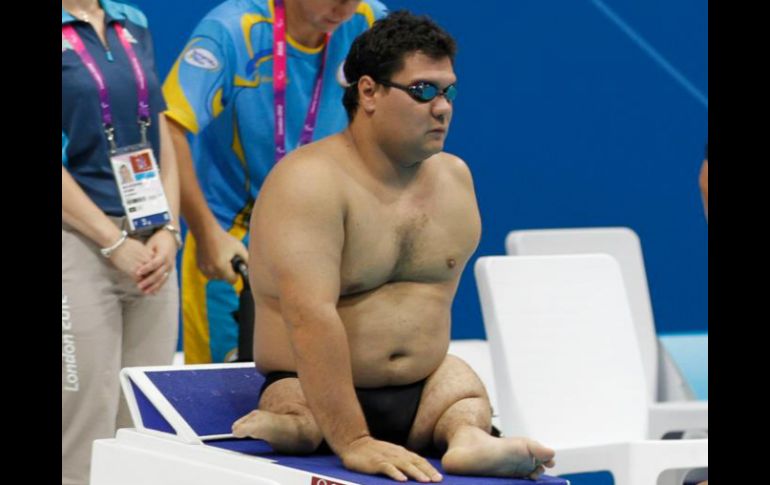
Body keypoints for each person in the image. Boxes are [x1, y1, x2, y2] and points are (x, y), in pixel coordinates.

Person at [231, 11, 556, 482]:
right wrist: (354, 441)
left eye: (449, 91)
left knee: (460, 384)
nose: (442, 107)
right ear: (368, 92)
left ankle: (467, 437)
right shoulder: (309, 183)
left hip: (422, 394)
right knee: (296, 412)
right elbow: (309, 317)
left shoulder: (455, 180)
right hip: (313, 391)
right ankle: (298, 429)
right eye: (423, 90)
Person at [162, 0, 388, 363]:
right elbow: (169, 126)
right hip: (235, 247)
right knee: (224, 405)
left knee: (320, 395)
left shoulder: (370, 21)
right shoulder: (234, 30)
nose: (345, 6)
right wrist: (205, 233)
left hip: (326, 245)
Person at [62, 1, 181, 484]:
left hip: (150, 241)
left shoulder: (133, 21)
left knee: (142, 413)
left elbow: (161, 132)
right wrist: (113, 243)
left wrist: (169, 231)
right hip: (79, 242)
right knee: (83, 417)